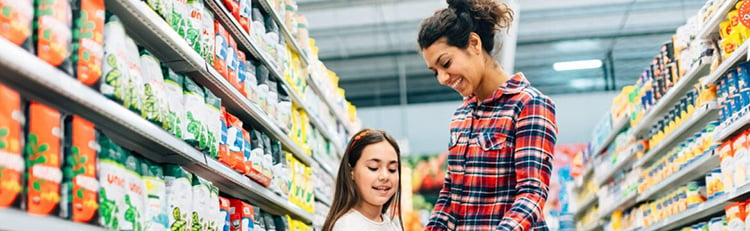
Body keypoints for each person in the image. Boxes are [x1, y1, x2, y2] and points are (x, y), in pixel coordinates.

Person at [417, 0, 558, 230]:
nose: (442, 78)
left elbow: (531, 194)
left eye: (446, 63)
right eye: (435, 72)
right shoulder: (461, 116)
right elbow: (450, 196)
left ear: (473, 43)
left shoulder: (528, 104)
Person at [322, 129, 404, 231]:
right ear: (351, 171)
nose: (385, 176)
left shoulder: (390, 225)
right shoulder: (347, 226)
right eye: (373, 167)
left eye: (392, 169)